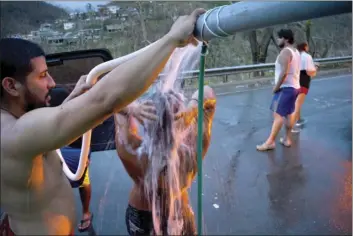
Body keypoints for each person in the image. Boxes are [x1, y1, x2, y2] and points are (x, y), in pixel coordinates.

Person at [0, 8, 205, 235]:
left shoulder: (18, 124)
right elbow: (105, 100)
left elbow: (44, 133)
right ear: (10, 86)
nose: (51, 82)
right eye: (42, 76)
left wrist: (72, 104)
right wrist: (172, 40)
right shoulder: (12, 136)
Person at [114, 86, 216, 235]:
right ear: (181, 119)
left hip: (142, 214)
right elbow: (207, 93)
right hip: (179, 213)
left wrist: (134, 109)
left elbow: (115, 101)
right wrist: (192, 109)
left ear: (146, 122)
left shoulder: (131, 149)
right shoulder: (193, 150)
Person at [50, 85, 93, 232]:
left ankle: (85, 212)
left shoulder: (79, 117)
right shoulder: (47, 119)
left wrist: (84, 157)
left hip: (77, 150)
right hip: (56, 149)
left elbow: (85, 142)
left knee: (83, 180)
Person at [256, 29, 300, 151]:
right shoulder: (295, 51)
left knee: (278, 115)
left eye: (279, 38)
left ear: (285, 39)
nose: (278, 40)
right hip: (294, 87)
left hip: (285, 89)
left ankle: (270, 142)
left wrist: (276, 88)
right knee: (288, 114)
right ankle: (287, 139)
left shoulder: (285, 52)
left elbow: (284, 73)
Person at [291, 42, 318, 132]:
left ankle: (298, 119)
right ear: (305, 47)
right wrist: (316, 68)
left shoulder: (294, 56)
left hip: (293, 80)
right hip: (303, 81)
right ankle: (292, 126)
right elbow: (310, 72)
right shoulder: (307, 56)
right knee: (298, 103)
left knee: (296, 102)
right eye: (307, 46)